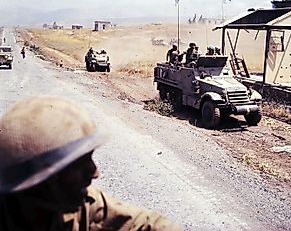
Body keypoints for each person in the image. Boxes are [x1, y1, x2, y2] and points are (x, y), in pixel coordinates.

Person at [0, 96, 182, 231]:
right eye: (78, 165)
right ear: (38, 181)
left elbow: (142, 223)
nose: (95, 173)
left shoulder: (77, 204)